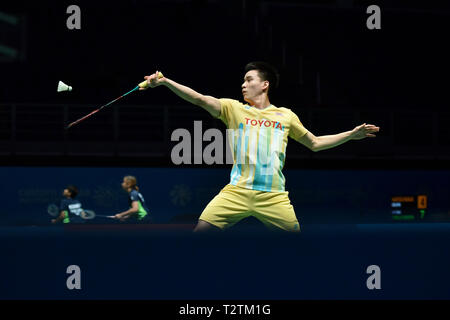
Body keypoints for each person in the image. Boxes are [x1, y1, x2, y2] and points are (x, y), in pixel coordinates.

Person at [140, 61, 380, 232]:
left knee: (298, 250)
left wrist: (350, 135)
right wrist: (165, 82)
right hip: (236, 192)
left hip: (274, 196)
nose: (243, 85)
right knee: (200, 234)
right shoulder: (234, 108)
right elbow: (200, 98)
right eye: (243, 81)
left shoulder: (286, 116)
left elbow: (315, 143)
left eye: (249, 80)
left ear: (264, 84)